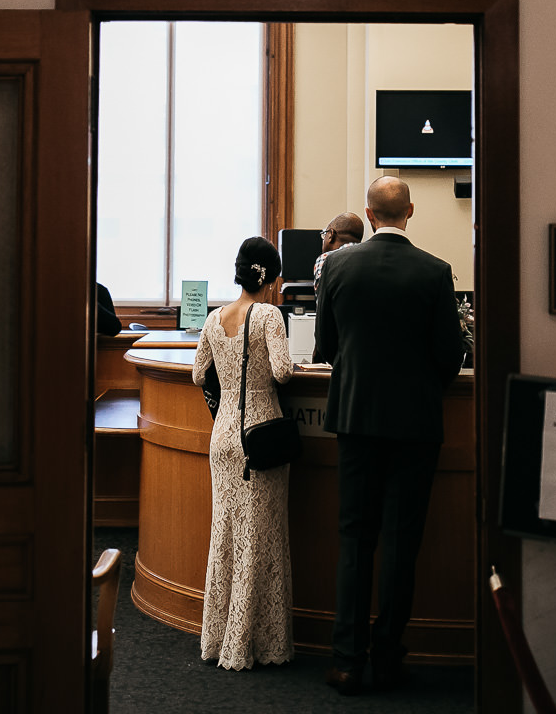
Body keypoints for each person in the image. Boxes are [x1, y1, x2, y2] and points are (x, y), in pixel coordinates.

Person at [313, 176, 465, 695]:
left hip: (355, 419)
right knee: (402, 543)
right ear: (411, 211)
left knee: (355, 538)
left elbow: (326, 345)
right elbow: (451, 354)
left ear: (369, 215)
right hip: (416, 425)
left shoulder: (336, 266)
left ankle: (346, 661)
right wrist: (421, 387)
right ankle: (387, 656)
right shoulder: (435, 271)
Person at [190, 236, 295, 670]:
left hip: (223, 437)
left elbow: (199, 374)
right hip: (260, 435)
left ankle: (218, 639)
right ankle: (256, 642)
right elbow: (283, 372)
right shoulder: (269, 315)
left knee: (226, 534)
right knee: (260, 536)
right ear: (269, 277)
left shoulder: (215, 318)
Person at [312, 211, 364, 292]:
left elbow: (321, 298)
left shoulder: (326, 259)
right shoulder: (369, 257)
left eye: (324, 234)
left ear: (331, 235)